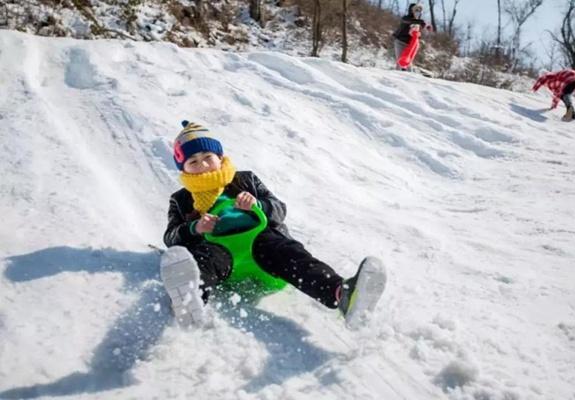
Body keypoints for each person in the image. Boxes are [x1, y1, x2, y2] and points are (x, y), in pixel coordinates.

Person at [160, 120, 386, 328]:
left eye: (207, 156)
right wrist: (194, 227)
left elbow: (279, 208)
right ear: (183, 168)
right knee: (204, 258)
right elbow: (171, 237)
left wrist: (258, 205)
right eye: (193, 161)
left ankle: (341, 294)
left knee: (289, 253)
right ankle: (190, 301)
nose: (203, 165)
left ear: (220, 156)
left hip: (261, 242)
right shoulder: (181, 199)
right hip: (222, 254)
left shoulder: (245, 179)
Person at [392, 3, 430, 71]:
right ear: (411, 10)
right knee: (401, 62)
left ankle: (407, 78)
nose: (418, 12)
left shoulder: (418, 23)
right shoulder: (406, 18)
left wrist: (426, 28)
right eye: (416, 10)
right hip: (400, 42)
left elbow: (416, 34)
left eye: (419, 10)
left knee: (408, 64)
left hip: (410, 45)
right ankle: (396, 78)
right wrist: (420, 22)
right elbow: (407, 21)